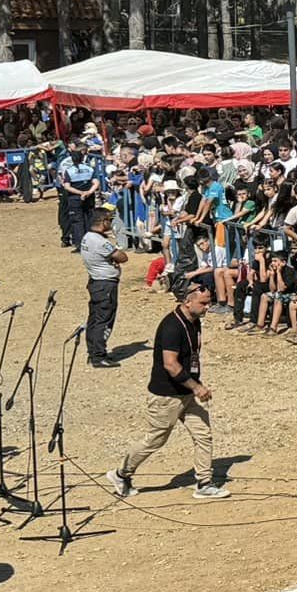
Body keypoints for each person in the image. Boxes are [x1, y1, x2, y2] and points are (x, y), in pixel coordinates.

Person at [108, 279, 229, 500]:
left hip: (186, 392)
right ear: (187, 300)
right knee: (155, 439)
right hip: (167, 395)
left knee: (203, 434)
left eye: (209, 302)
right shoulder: (172, 327)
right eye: (203, 303)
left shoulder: (194, 320)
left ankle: (204, 482)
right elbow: (170, 364)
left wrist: (193, 387)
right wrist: (197, 387)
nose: (208, 307)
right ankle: (121, 473)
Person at [81, 207, 130, 367]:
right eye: (109, 219)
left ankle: (93, 351)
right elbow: (122, 257)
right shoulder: (101, 242)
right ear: (103, 222)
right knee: (104, 320)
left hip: (96, 282)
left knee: (94, 319)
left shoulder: (87, 237)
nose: (111, 222)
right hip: (105, 285)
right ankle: (99, 355)